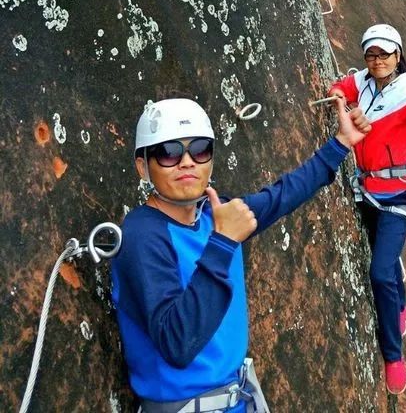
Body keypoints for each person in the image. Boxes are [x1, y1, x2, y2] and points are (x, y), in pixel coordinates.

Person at [112, 95, 371, 412]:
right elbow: (177, 344)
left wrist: (341, 143)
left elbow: (281, 196)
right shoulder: (142, 235)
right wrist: (222, 243)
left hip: (236, 399)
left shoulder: (215, 215)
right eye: (169, 153)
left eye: (199, 149)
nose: (187, 162)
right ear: (143, 166)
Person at [328, 25, 406, 395]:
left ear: (398, 55)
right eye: (371, 54)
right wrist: (339, 100)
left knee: (380, 272)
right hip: (367, 188)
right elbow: (340, 86)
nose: (377, 61)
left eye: (384, 54)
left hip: (397, 195)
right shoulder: (361, 80)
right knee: (387, 255)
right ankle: (402, 308)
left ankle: (394, 357)